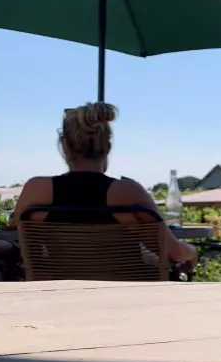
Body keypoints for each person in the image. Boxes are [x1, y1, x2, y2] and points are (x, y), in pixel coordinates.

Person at [11, 102, 198, 267]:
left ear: (65, 147)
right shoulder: (128, 192)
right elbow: (174, 253)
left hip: (58, 295)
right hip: (125, 299)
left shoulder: (36, 190)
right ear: (107, 147)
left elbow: (17, 241)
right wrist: (193, 251)